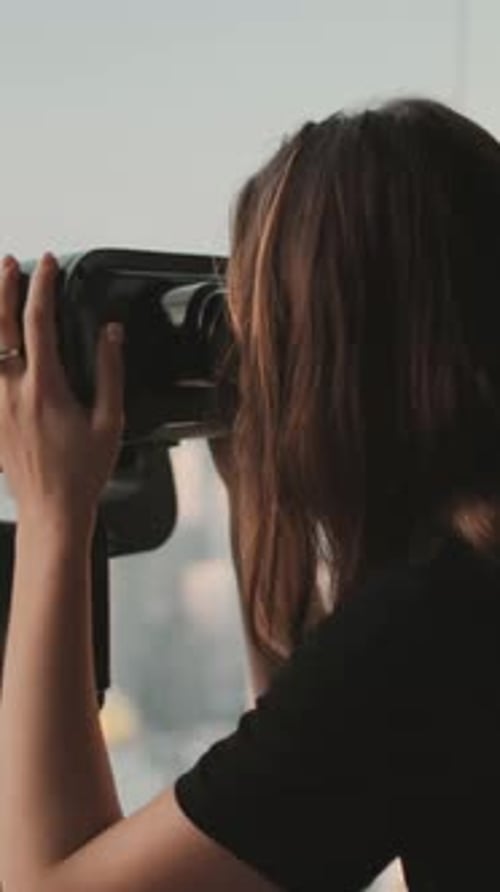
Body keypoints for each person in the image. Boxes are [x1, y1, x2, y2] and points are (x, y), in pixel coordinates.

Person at [1, 97, 500, 892]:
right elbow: (291, 834)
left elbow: (45, 887)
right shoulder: (456, 600)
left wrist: (54, 512)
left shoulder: (430, 627)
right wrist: (257, 491)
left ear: (330, 349)